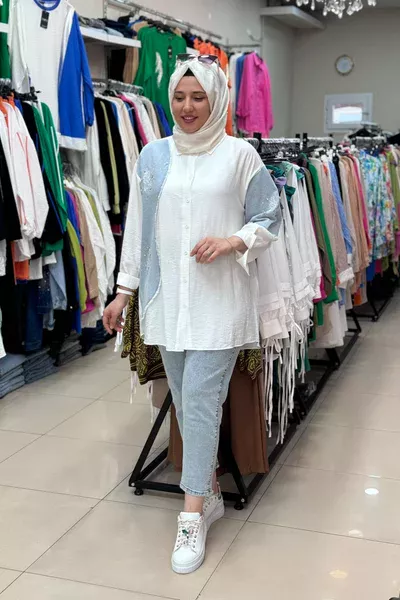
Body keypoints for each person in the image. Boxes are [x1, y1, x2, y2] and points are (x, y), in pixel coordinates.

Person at [103, 55, 281, 575]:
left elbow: (270, 215)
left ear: (217, 99)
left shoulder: (240, 155)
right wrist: (122, 292)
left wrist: (232, 240)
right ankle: (210, 492)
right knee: (184, 402)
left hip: (219, 303)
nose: (187, 107)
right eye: (179, 97)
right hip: (166, 303)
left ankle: (192, 516)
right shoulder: (153, 156)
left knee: (200, 402)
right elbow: (138, 228)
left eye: (198, 97)